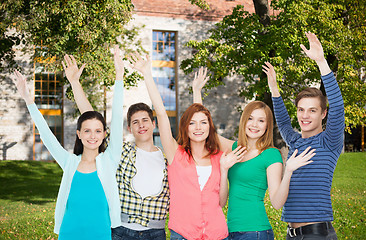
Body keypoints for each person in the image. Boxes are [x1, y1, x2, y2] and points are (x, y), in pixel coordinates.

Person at [128, 52, 247, 240]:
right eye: (192, 123)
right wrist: (147, 75)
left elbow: (221, 202)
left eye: (203, 123)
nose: (198, 128)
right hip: (182, 234)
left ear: (210, 127)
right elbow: (161, 112)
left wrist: (224, 171)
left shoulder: (218, 158)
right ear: (186, 127)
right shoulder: (176, 154)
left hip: (218, 234)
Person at [12, 45, 124, 240]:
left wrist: (119, 76)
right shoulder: (70, 162)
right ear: (79, 134)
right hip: (69, 233)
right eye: (87, 131)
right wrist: (27, 97)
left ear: (105, 134)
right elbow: (46, 135)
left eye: (98, 131)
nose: (93, 136)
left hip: (100, 234)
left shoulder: (110, 160)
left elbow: (116, 118)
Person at [193, 69, 316, 240]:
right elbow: (206, 130)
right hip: (230, 230)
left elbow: (277, 202)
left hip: (255, 231)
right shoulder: (234, 148)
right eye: (250, 118)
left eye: (261, 120)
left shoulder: (270, 155)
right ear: (244, 121)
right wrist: (197, 92)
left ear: (267, 126)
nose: (254, 125)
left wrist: (288, 172)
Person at [63, 51, 169, 240]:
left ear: (154, 124)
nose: (141, 125)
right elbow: (91, 119)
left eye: (145, 120)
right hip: (122, 231)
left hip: (156, 232)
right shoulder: (120, 152)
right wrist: (75, 83)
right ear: (129, 127)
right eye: (135, 122)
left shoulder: (168, 157)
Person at [263, 31, 344, 239]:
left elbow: (338, 105)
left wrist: (321, 61)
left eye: (312, 110)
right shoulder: (295, 141)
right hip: (292, 234)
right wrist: (274, 88)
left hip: (317, 234)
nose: (305, 116)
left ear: (323, 113)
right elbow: (281, 120)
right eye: (301, 109)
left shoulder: (329, 141)